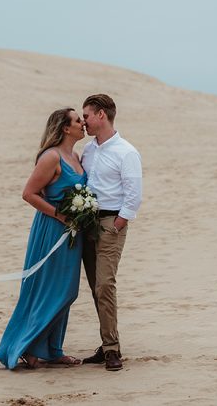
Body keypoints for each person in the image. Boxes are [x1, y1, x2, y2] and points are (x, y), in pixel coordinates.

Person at [0, 108, 88, 369]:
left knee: (66, 291)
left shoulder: (76, 155)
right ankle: (28, 346)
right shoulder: (51, 157)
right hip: (51, 230)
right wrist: (61, 216)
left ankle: (52, 349)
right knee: (49, 288)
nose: (83, 123)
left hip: (72, 233)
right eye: (77, 120)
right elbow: (29, 194)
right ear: (65, 128)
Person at [79, 94, 142, 371]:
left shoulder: (126, 151)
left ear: (101, 115)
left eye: (87, 116)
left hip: (110, 224)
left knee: (105, 284)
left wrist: (117, 225)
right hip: (86, 224)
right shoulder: (89, 150)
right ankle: (106, 345)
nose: (84, 122)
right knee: (95, 287)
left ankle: (112, 350)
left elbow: (133, 195)